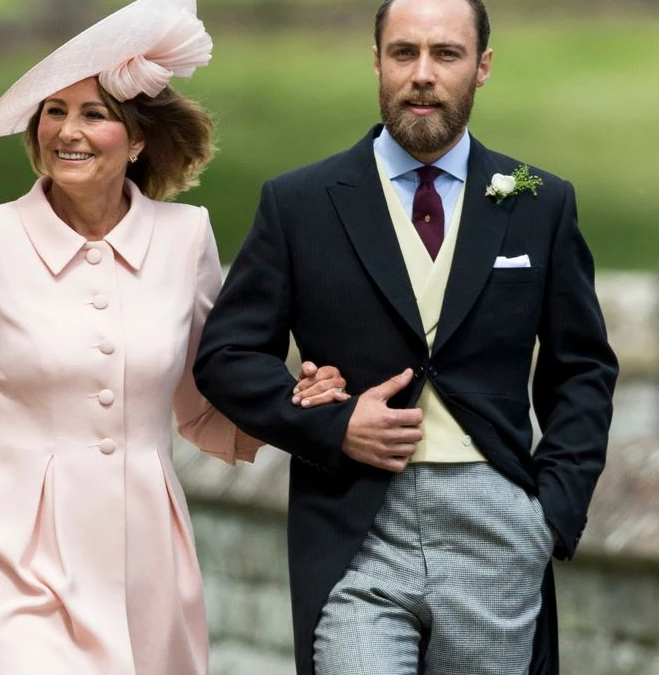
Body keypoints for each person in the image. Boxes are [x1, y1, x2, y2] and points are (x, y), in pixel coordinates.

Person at [0, 1, 348, 673]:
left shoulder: (185, 237)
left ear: (136, 140)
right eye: (54, 111)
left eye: (94, 113)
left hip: (150, 562)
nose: (67, 131)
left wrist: (295, 407)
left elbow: (203, 410)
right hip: (20, 562)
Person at [193, 0, 619, 672]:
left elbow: (582, 369)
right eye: (404, 52)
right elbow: (226, 355)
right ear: (377, 63)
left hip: (497, 523)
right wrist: (331, 424)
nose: (423, 73)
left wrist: (551, 513)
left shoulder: (539, 202)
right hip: (355, 525)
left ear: (482, 66)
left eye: (446, 54)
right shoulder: (299, 203)